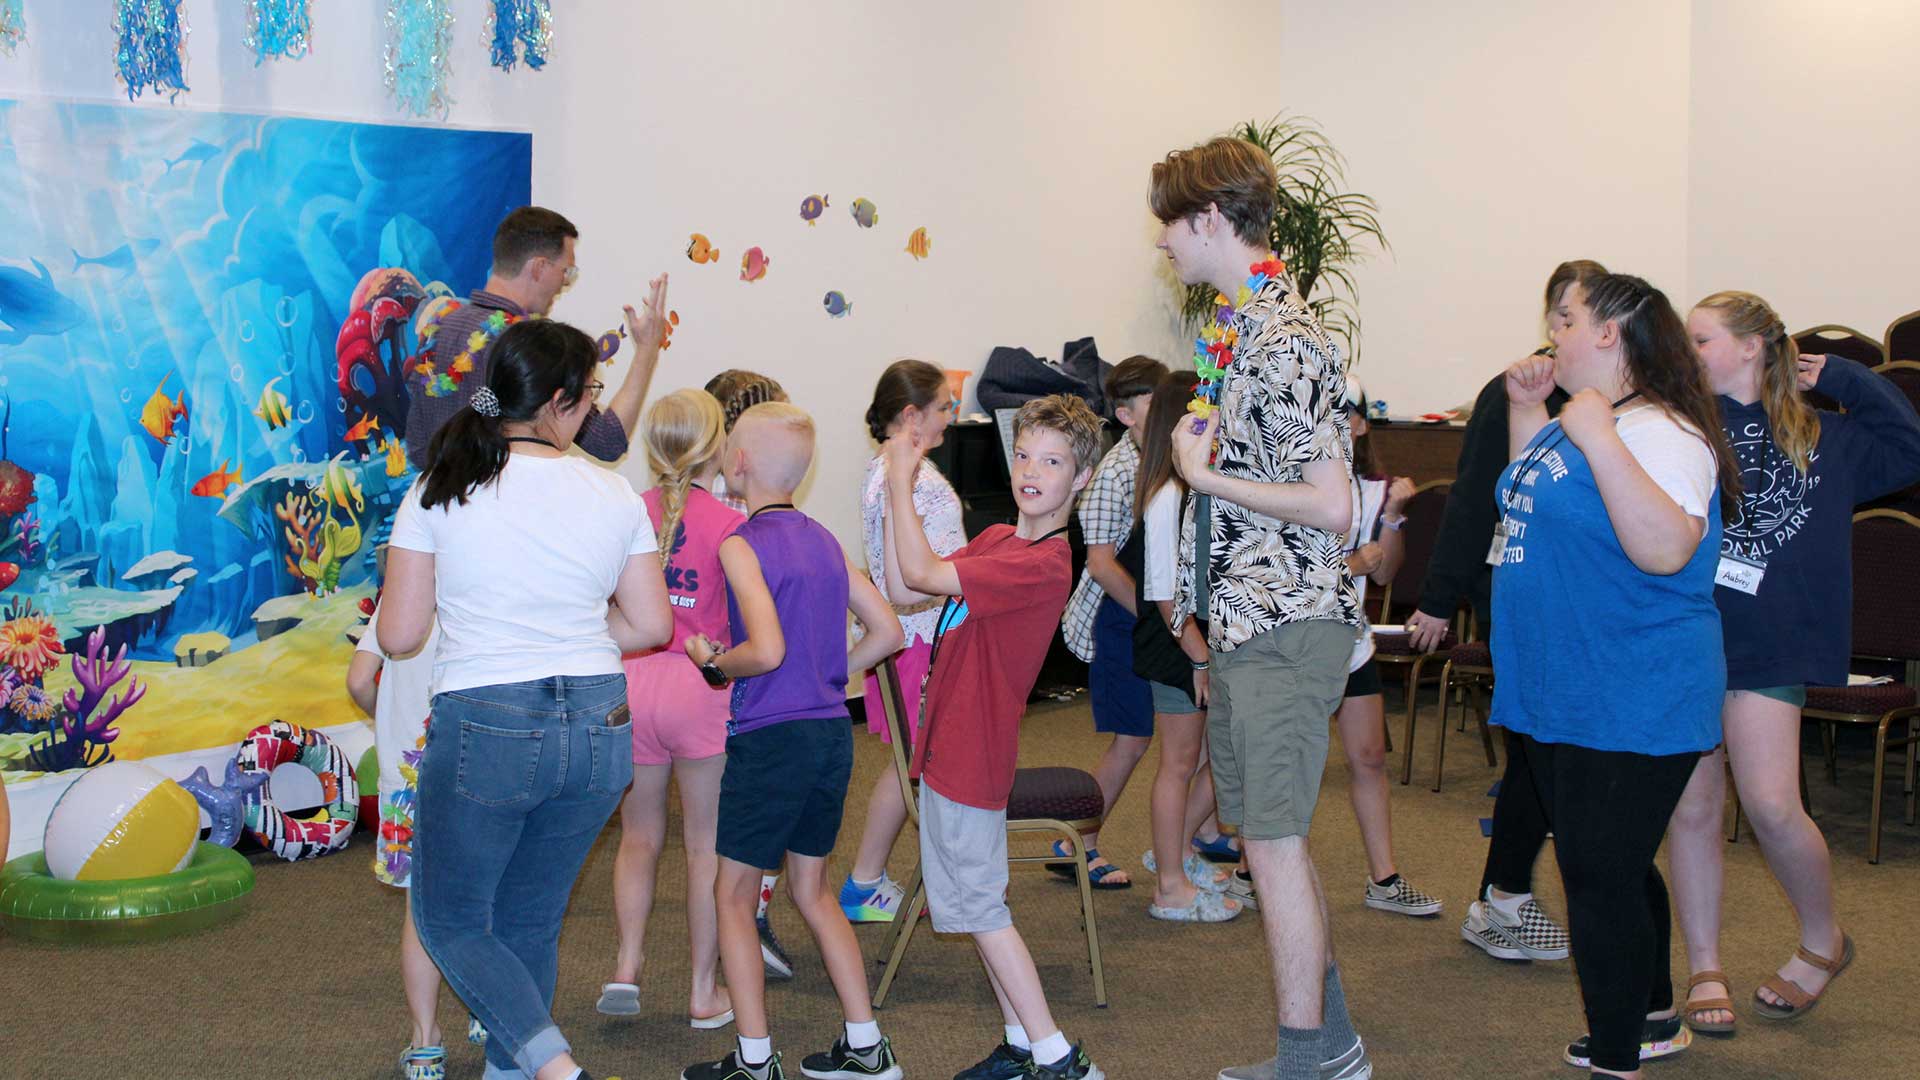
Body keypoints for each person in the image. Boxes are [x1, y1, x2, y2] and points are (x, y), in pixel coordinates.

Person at [379, 317, 676, 1080]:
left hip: (489, 719)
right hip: (601, 721)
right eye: (592, 397)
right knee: (530, 922)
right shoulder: (613, 493)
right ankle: (517, 1070)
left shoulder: (439, 487)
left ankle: (552, 1067)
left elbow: (401, 633)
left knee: (448, 918)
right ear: (561, 401)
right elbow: (650, 623)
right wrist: (573, 626)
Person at [1154, 136, 1370, 1080]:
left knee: (1275, 843)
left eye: (1169, 220)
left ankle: (1305, 1061)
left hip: (1287, 623)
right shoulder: (1245, 332)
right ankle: (1330, 1045)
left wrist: (1207, 475)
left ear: (1209, 219)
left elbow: (1332, 505)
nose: (1161, 240)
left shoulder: (1284, 339)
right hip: (1247, 624)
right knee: (1266, 837)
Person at [1493, 273, 1739, 1077]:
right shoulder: (1586, 422)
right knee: (1614, 860)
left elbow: (1664, 548)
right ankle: (1655, 1015)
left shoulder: (1663, 431)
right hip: (1563, 687)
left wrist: (1594, 432)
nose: (1551, 335)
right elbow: (1533, 513)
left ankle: (1616, 1053)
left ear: (1610, 335)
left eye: (1566, 321)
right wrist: (1532, 415)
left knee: (1596, 874)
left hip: (1630, 688)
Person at [1667, 291, 1920, 1035]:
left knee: (1773, 807)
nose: (1689, 351)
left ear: (1752, 347)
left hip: (1769, 643)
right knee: (1693, 805)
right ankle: (1704, 965)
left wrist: (1845, 376)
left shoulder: (1825, 437)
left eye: (1703, 339)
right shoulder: (1685, 430)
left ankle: (1822, 942)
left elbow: (1911, 446)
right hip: (1686, 634)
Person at [678, 402, 906, 1080]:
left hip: (771, 739)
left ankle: (753, 1060)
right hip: (831, 733)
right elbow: (889, 632)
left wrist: (715, 663)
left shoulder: (739, 543)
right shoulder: (825, 541)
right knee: (813, 889)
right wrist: (831, 672)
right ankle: (866, 1047)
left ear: (738, 464)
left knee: (732, 896)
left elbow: (766, 650)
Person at [885, 394, 1109, 1080]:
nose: (1031, 470)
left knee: (981, 908)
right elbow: (903, 583)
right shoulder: (998, 542)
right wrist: (895, 500)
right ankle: (1020, 1044)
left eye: (1053, 460)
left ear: (1081, 479)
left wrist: (899, 478)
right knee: (974, 903)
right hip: (954, 747)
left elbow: (921, 574)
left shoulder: (1038, 563)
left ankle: (1057, 1055)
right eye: (1023, 454)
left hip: (971, 752)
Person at [1407, 260, 1606, 963]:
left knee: (1540, 753)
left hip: (1584, 601)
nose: (1574, 330)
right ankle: (1504, 899)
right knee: (1535, 751)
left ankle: (1504, 896)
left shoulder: (1614, 398)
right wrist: (1436, 597)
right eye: (1568, 316)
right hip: (1516, 594)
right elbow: (1470, 499)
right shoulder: (1517, 391)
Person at [597, 389, 742, 1028]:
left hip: (631, 688)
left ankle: (626, 966)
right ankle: (703, 990)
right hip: (699, 691)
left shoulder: (623, 511)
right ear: (717, 450)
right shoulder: (731, 525)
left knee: (639, 837)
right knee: (704, 843)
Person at [840, 359, 967, 924]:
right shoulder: (909, 479)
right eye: (945, 407)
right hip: (919, 642)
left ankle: (868, 880)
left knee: (910, 764)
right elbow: (912, 578)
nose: (951, 417)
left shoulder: (889, 471)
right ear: (912, 416)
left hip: (910, 638)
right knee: (924, 766)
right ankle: (883, 881)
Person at [403, 205, 666, 472]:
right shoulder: (530, 346)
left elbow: (416, 446)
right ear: (539, 267)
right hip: (497, 507)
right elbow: (608, 441)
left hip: (433, 501)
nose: (565, 283)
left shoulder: (439, 325)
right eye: (567, 271)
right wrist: (647, 348)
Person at [1053, 355, 1174, 890]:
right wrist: (1159, 620)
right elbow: (1101, 565)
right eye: (1156, 398)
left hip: (1144, 616)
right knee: (1132, 739)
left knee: (1161, 734)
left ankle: (1197, 833)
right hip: (1119, 618)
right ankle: (1073, 842)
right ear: (1126, 415)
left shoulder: (1165, 456)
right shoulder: (1116, 472)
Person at [1127, 371, 1241, 923]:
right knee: (1177, 764)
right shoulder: (1167, 496)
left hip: (1193, 640)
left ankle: (1178, 851)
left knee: (1210, 756)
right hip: (1176, 643)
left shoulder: (1190, 486)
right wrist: (1200, 657)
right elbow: (1167, 598)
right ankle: (1168, 884)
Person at [699, 367, 795, 973]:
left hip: (718, 666)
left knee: (730, 819)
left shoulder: (700, 498)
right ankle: (747, 919)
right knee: (757, 816)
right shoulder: (747, 517)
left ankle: (737, 916)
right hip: (746, 678)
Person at [1334, 388, 1440, 918]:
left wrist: (1395, 516)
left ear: (1358, 425)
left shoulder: (1374, 491)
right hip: (1289, 645)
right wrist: (1351, 562)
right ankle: (1217, 863)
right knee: (1269, 766)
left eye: (1342, 413)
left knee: (1370, 758)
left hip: (1349, 643)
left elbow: (1386, 572)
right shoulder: (1283, 482)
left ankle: (1385, 878)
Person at [347, 591, 448, 1080]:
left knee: (420, 907)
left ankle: (425, 1044)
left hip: (407, 777)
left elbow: (359, 678)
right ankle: (487, 1016)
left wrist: (386, 719)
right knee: (486, 896)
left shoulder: (402, 595)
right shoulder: (489, 569)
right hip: (478, 762)